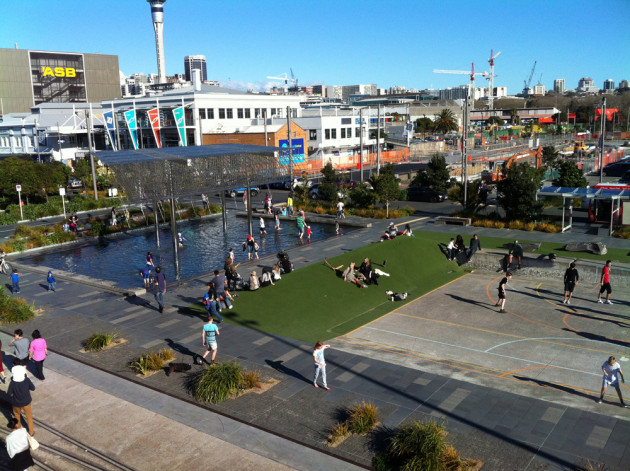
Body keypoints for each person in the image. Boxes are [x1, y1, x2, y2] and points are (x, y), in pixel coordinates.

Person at [7, 362, 35, 436]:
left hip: (16, 403)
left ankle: (18, 429)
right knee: (29, 417)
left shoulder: (12, 383)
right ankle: (31, 432)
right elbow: (33, 388)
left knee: (16, 416)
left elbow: (9, 394)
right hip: (26, 402)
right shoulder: (26, 380)